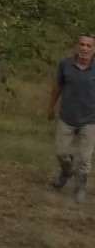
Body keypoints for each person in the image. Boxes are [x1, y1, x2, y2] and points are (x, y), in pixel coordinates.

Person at [47, 32, 95, 204]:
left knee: (85, 159)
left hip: (90, 120)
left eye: (89, 45)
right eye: (82, 44)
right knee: (61, 153)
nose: (84, 48)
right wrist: (50, 108)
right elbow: (57, 87)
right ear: (77, 46)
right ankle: (66, 172)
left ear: (94, 49)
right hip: (67, 117)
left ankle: (80, 188)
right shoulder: (65, 65)